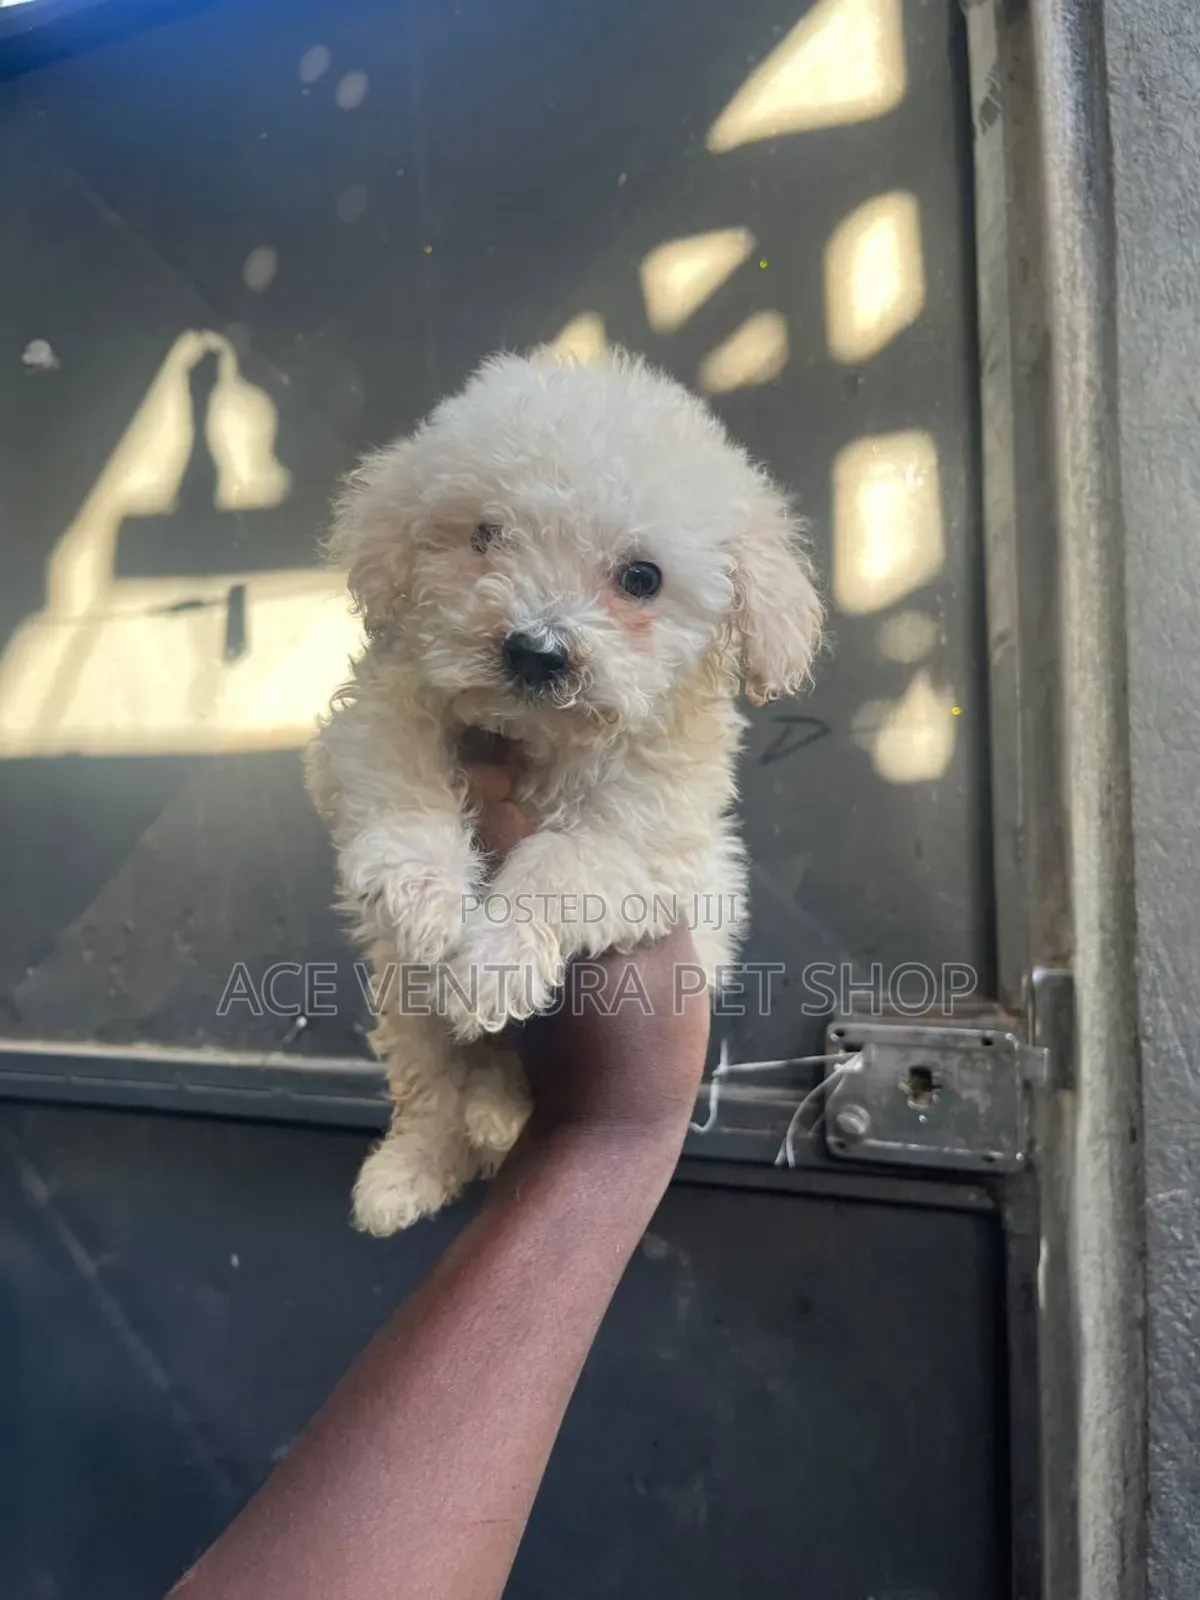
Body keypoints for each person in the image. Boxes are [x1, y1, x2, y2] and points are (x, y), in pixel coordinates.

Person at [171, 740, 710, 1600]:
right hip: (487, 985)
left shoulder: (662, 742)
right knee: (420, 991)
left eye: (636, 589)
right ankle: (437, 1127)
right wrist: (614, 1130)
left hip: (590, 933)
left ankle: (482, 1111)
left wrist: (609, 1120)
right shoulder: (414, 700)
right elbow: (354, 771)